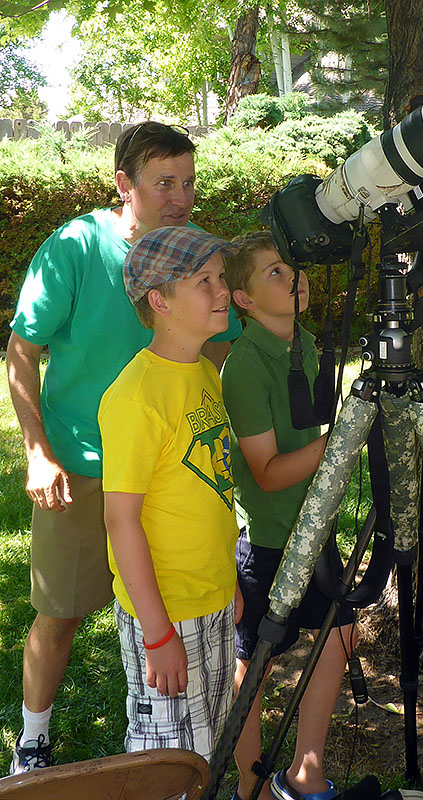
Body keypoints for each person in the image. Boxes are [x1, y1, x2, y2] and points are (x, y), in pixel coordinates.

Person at [6, 121, 241, 774]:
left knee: (164, 615)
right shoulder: (74, 248)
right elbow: (23, 348)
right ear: (123, 184)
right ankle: (33, 740)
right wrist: (37, 450)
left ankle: (167, 728)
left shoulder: (197, 257)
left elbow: (220, 347)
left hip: (171, 478)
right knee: (59, 617)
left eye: (189, 183)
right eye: (164, 183)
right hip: (84, 468)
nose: (181, 198)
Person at [221, 230, 356, 800]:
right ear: (243, 300)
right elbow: (270, 471)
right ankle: (248, 779)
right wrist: (341, 441)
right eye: (274, 272)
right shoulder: (245, 367)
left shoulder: (305, 340)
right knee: (256, 662)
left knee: (340, 634)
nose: (294, 278)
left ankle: (306, 770)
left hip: (315, 525)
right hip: (272, 538)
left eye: (293, 267)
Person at [99, 225, 241, 758]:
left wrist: (227, 584)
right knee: (170, 758)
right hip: (166, 609)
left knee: (211, 737)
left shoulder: (204, 371)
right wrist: (157, 634)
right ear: (159, 300)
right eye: (204, 281)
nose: (223, 290)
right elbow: (121, 522)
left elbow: (210, 483)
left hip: (213, 599)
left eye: (221, 277)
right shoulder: (136, 399)